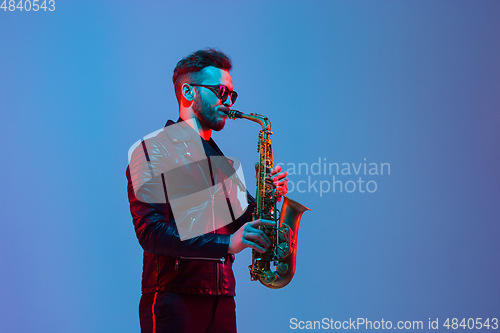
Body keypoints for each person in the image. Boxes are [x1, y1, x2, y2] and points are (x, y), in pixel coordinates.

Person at [126, 49, 289, 333]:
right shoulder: (151, 151)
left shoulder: (221, 163)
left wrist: (271, 198)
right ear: (188, 91)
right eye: (220, 91)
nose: (227, 100)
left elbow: (242, 221)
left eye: (231, 95)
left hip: (223, 299)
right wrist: (226, 245)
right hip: (174, 299)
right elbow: (151, 234)